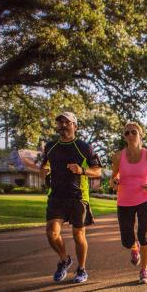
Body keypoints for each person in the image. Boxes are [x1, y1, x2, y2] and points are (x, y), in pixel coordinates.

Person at [39, 111, 102, 283]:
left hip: (78, 196)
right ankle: (64, 259)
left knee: (78, 235)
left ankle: (81, 269)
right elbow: (44, 166)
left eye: (67, 122)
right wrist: (43, 171)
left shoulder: (84, 147)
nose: (63, 125)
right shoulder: (50, 146)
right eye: (60, 122)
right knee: (52, 233)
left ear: (75, 125)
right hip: (56, 196)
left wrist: (82, 170)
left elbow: (97, 170)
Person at [110, 122, 147, 284]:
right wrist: (113, 182)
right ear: (124, 137)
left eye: (133, 132)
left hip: (144, 199)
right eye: (126, 133)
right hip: (124, 200)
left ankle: (144, 271)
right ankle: (134, 248)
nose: (130, 135)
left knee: (143, 235)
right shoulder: (118, 156)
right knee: (127, 240)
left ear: (141, 135)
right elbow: (114, 177)